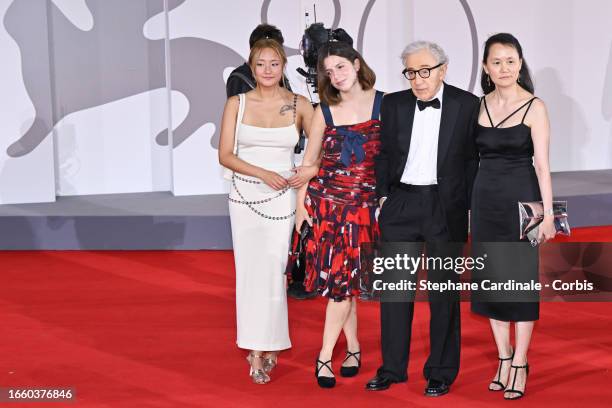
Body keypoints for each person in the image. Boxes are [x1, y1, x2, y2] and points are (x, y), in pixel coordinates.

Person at [366, 41, 479, 397]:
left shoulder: (467, 104)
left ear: (443, 70)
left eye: (425, 71)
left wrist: (469, 208)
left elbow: (472, 161)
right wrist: (384, 196)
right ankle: (392, 368)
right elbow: (383, 154)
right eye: (411, 72)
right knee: (395, 293)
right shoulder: (395, 104)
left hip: (444, 208)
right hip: (401, 204)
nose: (417, 79)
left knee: (443, 294)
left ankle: (441, 371)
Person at [218, 38, 313, 384]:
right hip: (244, 196)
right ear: (251, 67)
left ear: (283, 67)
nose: (268, 70)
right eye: (261, 64)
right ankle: (256, 349)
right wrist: (263, 173)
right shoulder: (237, 104)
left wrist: (304, 175)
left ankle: (271, 344)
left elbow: (318, 150)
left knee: (275, 272)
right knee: (249, 273)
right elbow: (225, 155)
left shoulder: (299, 104)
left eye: (274, 63)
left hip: (282, 200)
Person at [292, 41, 382, 388]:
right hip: (328, 207)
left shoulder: (385, 104)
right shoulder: (324, 109)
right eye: (329, 72)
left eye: (341, 67)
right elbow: (310, 163)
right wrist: (302, 204)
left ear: (357, 64)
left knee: (347, 284)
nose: (336, 76)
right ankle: (326, 355)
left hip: (366, 209)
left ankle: (355, 347)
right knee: (340, 287)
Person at [470, 33, 555, 400]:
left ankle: (520, 360)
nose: (504, 68)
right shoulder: (478, 106)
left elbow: (543, 167)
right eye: (496, 61)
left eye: (511, 60)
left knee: (519, 284)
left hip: (523, 201)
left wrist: (548, 215)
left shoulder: (535, 106)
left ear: (520, 63)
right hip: (484, 200)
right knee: (489, 280)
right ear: (486, 67)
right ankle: (503, 357)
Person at [226, 24, 291, 97]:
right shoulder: (239, 79)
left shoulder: (278, 74)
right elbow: (238, 107)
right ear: (252, 50)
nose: (268, 71)